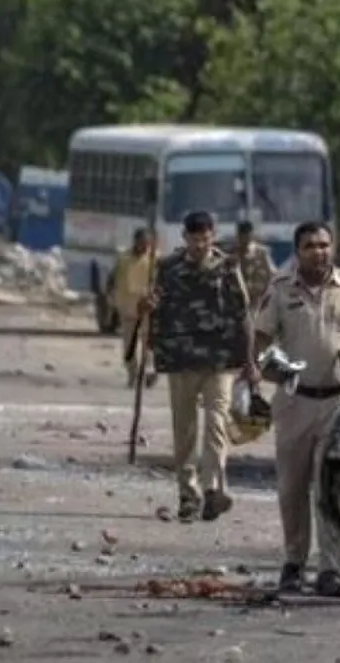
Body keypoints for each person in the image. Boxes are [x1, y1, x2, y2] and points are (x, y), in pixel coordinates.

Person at [253, 222, 340, 598]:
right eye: (309, 246)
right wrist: (269, 370)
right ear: (298, 251)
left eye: (323, 245)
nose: (318, 252)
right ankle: (294, 562)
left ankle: (331, 568)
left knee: (332, 487)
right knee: (292, 487)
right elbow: (260, 341)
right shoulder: (280, 289)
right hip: (295, 401)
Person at [151, 211, 259, 522]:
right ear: (185, 238)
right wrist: (147, 316)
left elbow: (243, 315)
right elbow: (156, 310)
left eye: (205, 238)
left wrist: (250, 361)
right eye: (195, 239)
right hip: (181, 360)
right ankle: (188, 494)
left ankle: (213, 490)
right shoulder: (168, 269)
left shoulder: (227, 268)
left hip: (219, 360)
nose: (200, 244)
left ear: (213, 236)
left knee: (216, 424)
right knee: (184, 429)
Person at [111, 228, 156, 388]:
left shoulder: (153, 259)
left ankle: (149, 371)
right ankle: (133, 375)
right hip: (128, 307)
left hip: (148, 308)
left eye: (147, 243)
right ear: (135, 242)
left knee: (148, 344)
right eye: (141, 243)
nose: (144, 246)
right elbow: (113, 279)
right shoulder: (124, 258)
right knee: (129, 345)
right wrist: (112, 300)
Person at [231, 220, 276, 309]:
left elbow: (272, 273)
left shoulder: (262, 253)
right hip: (237, 300)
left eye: (247, 235)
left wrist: (268, 293)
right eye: (241, 235)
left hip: (258, 299)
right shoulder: (232, 252)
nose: (244, 239)